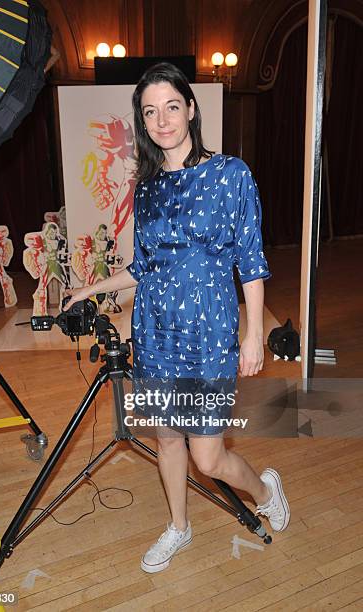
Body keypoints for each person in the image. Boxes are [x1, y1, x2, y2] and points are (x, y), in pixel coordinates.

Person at [64, 62, 290, 574]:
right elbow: (143, 268)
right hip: (156, 332)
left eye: (171, 106)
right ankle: (178, 527)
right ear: (142, 123)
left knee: (208, 458)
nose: (162, 119)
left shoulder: (231, 174)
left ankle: (264, 488)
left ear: (191, 108)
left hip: (209, 334)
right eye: (150, 111)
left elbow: (250, 263)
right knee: (167, 436)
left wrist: (253, 334)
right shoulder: (145, 189)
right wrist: (90, 288)